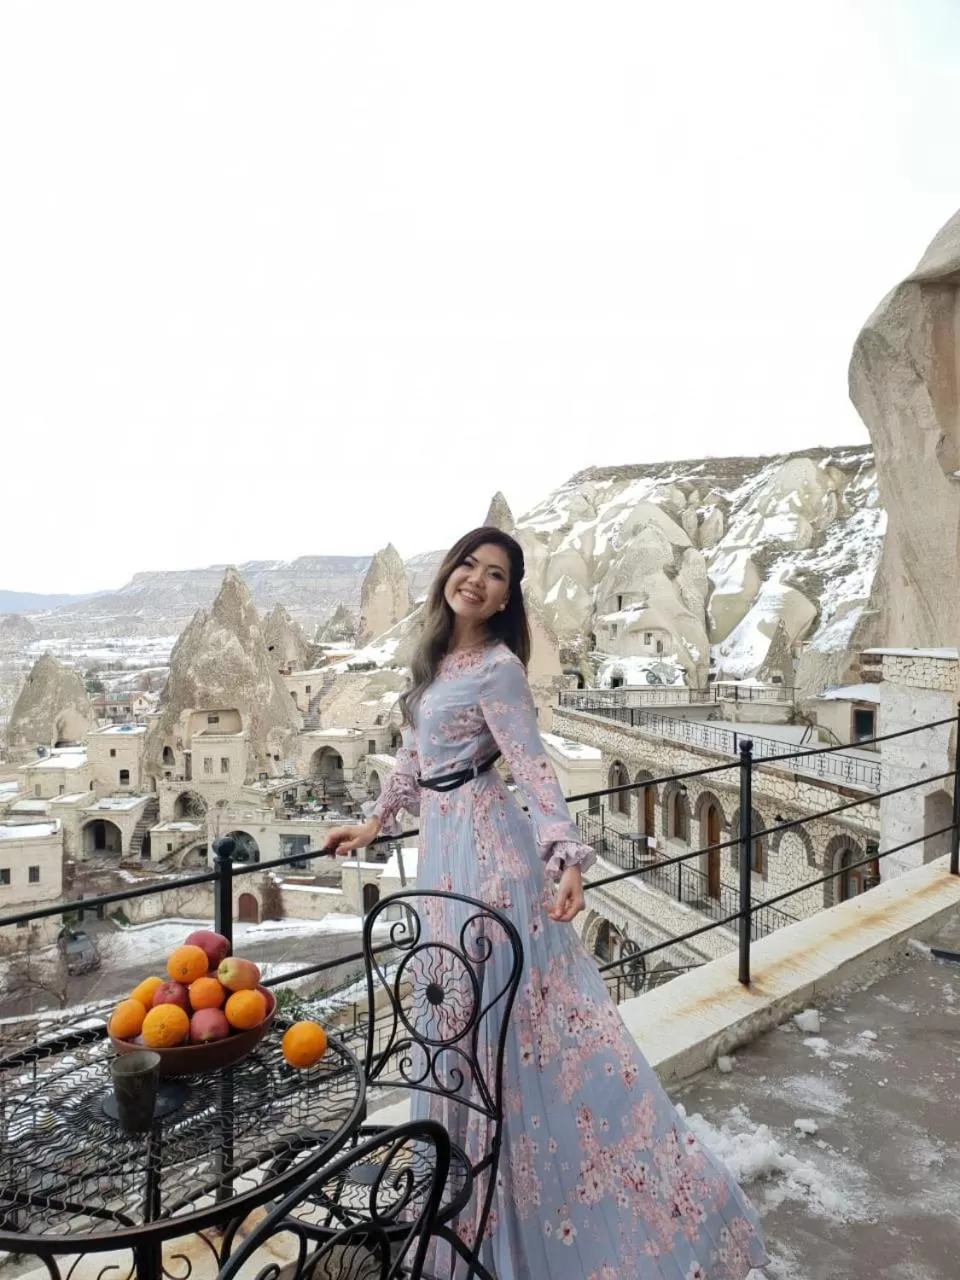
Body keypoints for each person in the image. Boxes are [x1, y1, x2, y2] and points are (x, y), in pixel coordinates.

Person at [324, 526, 768, 1279]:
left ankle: (507, 1209)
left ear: (507, 598)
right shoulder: (435, 659)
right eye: (470, 564)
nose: (478, 580)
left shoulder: (498, 670)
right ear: (449, 574)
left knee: (504, 1027)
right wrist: (375, 820)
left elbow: (532, 771)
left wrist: (565, 859)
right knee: (451, 1014)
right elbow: (415, 756)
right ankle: (455, 1195)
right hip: (443, 850)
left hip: (489, 857)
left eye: (497, 575)